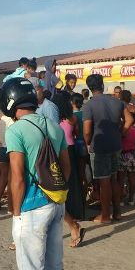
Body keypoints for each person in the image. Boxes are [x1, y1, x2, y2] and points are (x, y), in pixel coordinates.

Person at [1, 77, 70, 270]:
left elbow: (18, 177)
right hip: (57, 203)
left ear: (10, 101)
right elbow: (66, 168)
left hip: (32, 207)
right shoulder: (54, 125)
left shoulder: (15, 130)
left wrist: (16, 212)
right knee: (55, 266)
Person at [83, 74, 134, 223]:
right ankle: (117, 212)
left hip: (99, 146)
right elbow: (129, 120)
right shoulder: (116, 101)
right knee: (114, 178)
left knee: (104, 180)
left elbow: (86, 130)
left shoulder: (89, 105)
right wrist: (121, 134)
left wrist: (88, 142)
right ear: (102, 85)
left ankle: (105, 215)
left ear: (90, 88)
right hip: (115, 144)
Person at [52, 92, 86, 247]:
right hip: (71, 149)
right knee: (73, 182)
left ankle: (69, 219)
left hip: (58, 151)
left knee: (60, 184)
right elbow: (77, 133)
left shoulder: (53, 119)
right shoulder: (71, 118)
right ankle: (76, 213)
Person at [120, 90, 135, 205]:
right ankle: (131, 197)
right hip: (133, 154)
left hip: (122, 154)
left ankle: (121, 199)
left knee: (121, 178)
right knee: (132, 178)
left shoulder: (122, 130)